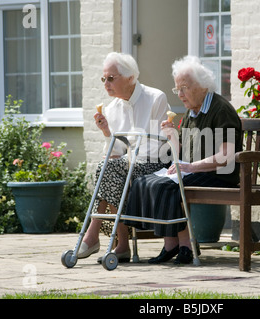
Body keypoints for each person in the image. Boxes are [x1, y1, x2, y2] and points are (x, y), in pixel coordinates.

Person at [124, 56, 242, 264]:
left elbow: (226, 156)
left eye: (184, 88)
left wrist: (191, 166)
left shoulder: (221, 109)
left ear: (202, 86)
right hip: (196, 172)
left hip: (219, 175)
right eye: (177, 89)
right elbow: (182, 155)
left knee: (167, 187)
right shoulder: (191, 112)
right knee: (146, 181)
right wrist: (172, 137)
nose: (180, 94)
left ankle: (181, 245)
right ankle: (173, 244)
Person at [78, 52, 170, 262]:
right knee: (108, 168)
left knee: (109, 169)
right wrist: (107, 132)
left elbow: (159, 144)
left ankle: (96, 236)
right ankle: (118, 244)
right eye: (104, 79)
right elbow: (114, 151)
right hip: (126, 165)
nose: (106, 84)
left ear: (130, 78)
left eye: (111, 78)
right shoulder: (112, 108)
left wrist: (127, 158)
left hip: (155, 163)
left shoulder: (156, 98)